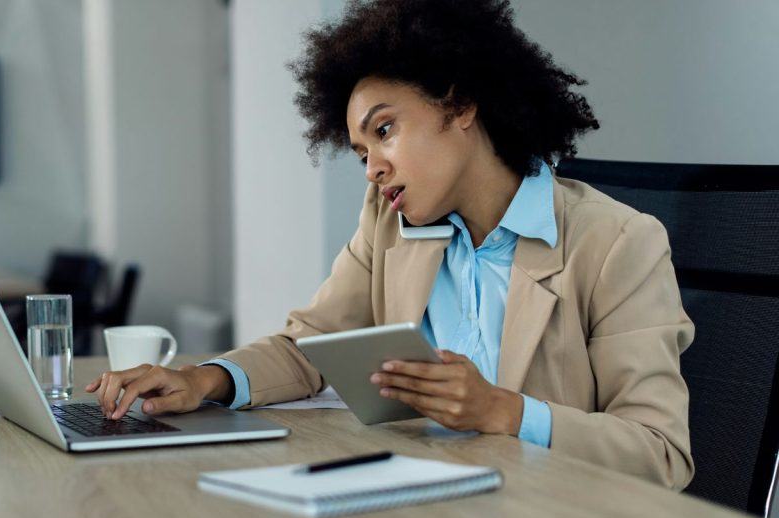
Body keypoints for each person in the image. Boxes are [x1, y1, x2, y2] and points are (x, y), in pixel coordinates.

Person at [87, 0, 695, 490]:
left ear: (458, 105)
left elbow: (660, 453)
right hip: (429, 505)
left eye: (385, 131)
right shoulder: (390, 223)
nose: (373, 168)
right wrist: (204, 380)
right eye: (360, 151)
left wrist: (503, 412)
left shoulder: (618, 243)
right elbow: (312, 346)